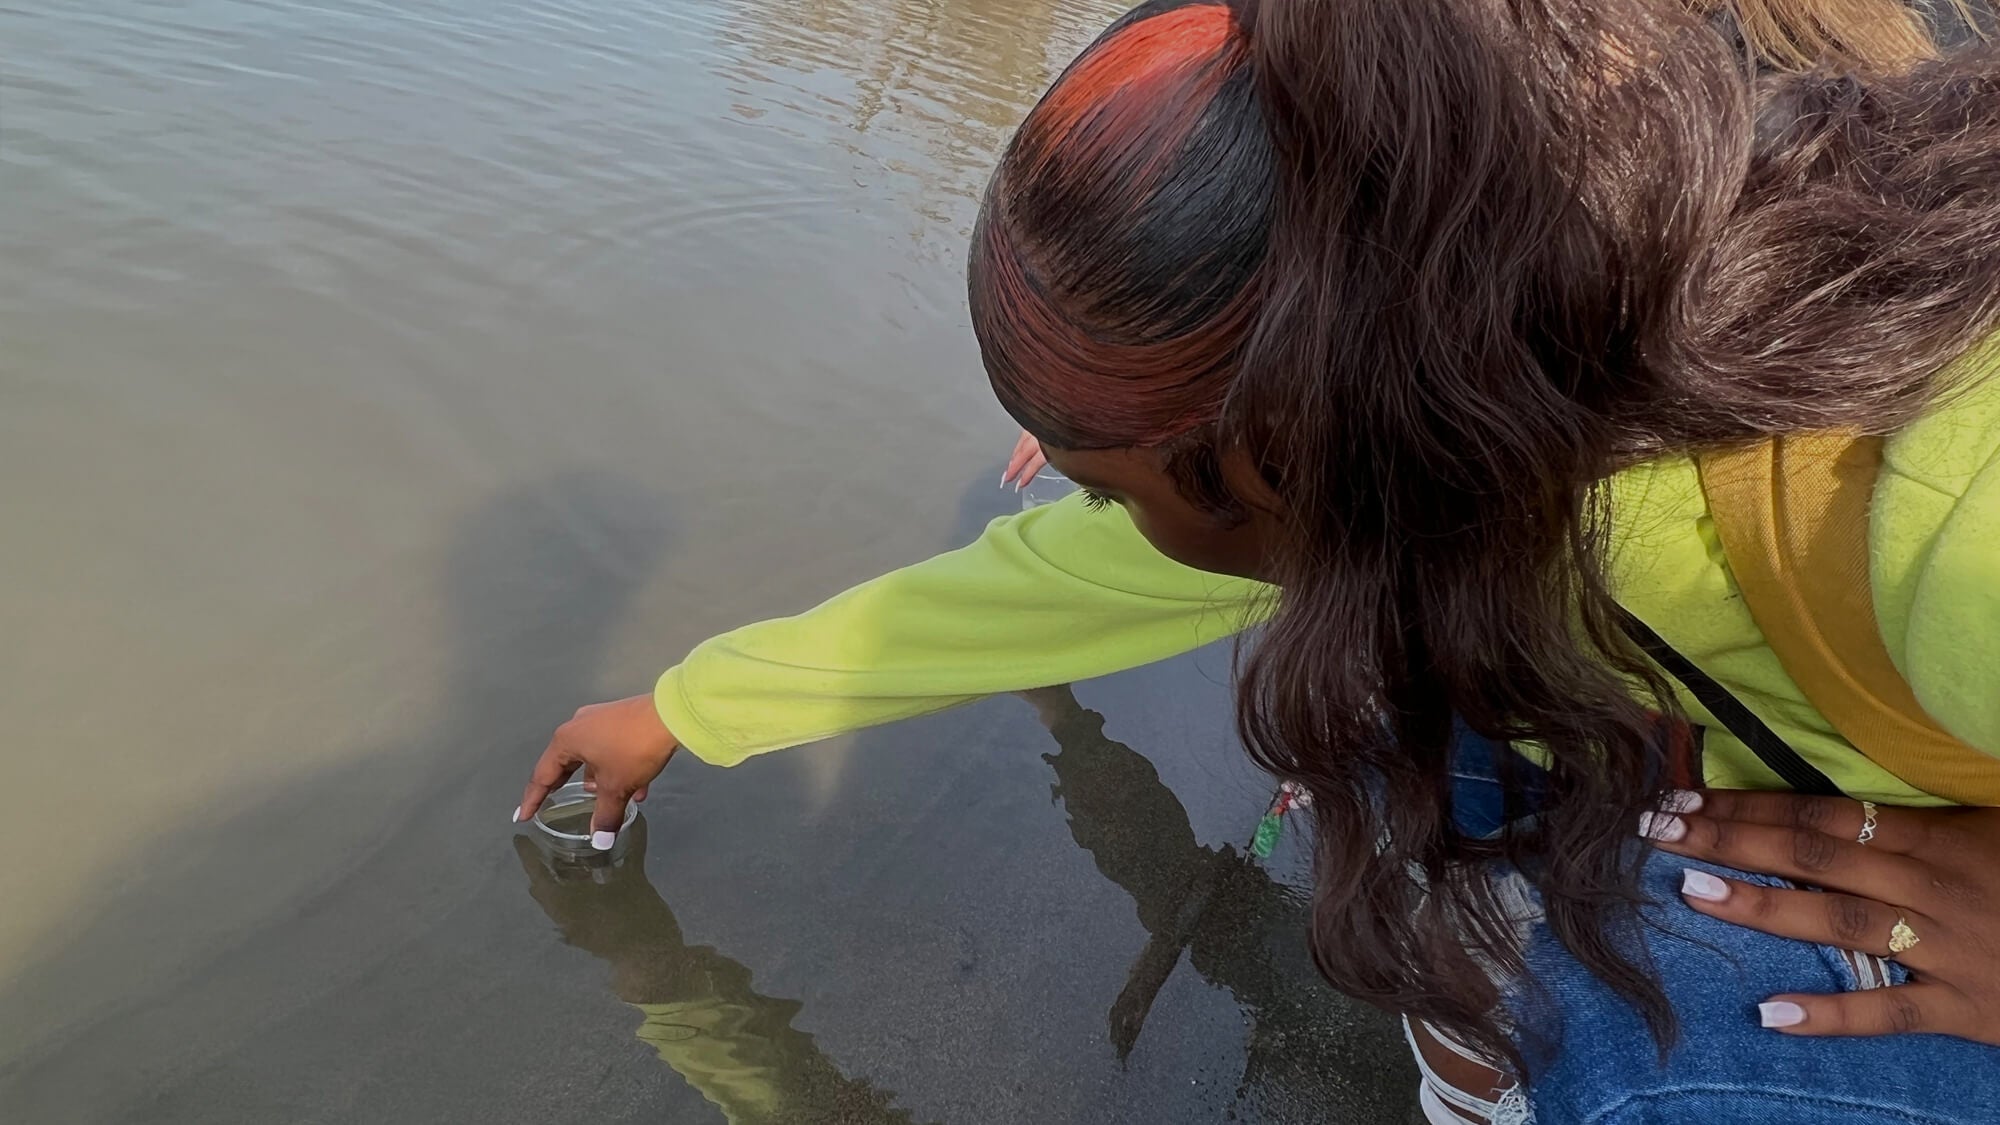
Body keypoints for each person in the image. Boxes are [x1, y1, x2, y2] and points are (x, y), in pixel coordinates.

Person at [518, 1, 2000, 1119]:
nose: (1105, 528)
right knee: (1396, 709)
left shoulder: (1947, 516)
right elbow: (1039, 592)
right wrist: (684, 708)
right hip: (1777, 775)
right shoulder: (1477, 387)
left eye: (1116, 486)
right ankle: (1482, 1064)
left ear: (1310, 442)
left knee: (1651, 1054)